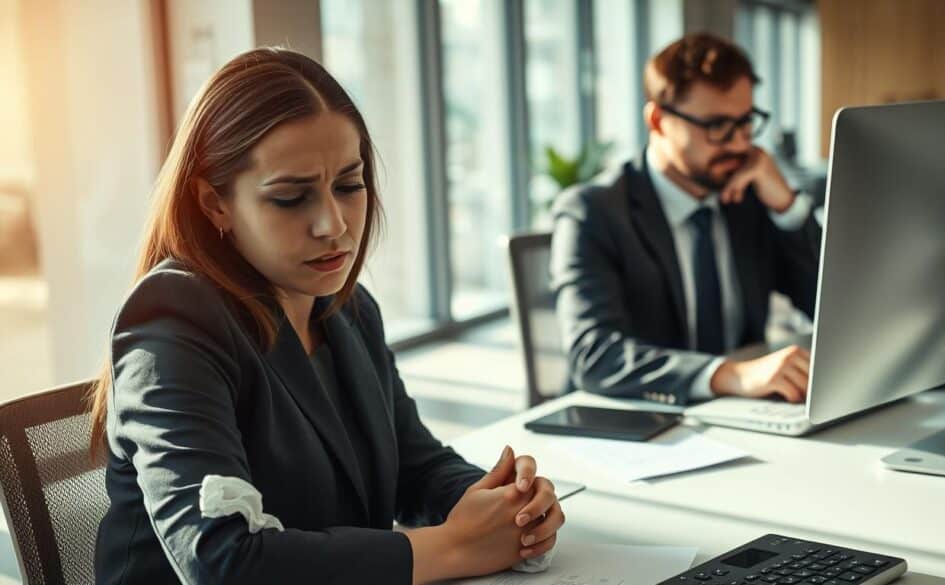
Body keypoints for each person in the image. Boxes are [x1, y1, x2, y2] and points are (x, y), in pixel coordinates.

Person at [90, 48, 563, 585]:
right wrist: (454, 547)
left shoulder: (348, 308)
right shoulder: (172, 322)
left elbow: (415, 465)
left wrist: (512, 507)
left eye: (349, 185)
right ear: (214, 203)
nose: (333, 224)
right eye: (291, 198)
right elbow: (224, 561)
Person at [550, 32, 820, 406]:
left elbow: (830, 304)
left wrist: (786, 206)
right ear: (658, 120)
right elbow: (594, 355)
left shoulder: (746, 194)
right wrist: (731, 375)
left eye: (745, 123)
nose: (740, 144)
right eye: (717, 126)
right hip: (638, 419)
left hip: (743, 414)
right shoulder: (592, 211)